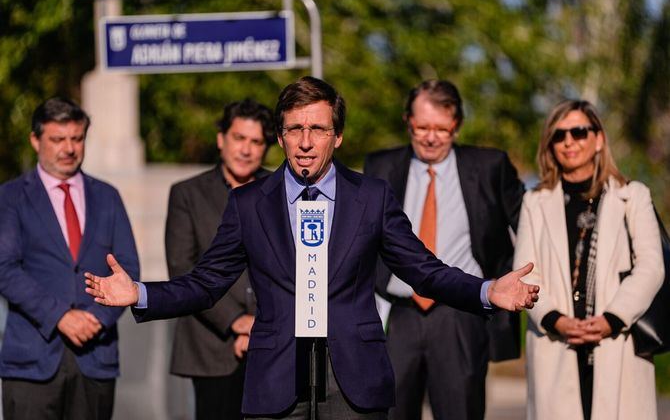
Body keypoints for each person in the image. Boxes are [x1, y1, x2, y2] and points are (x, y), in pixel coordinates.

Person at [84, 76, 539, 419]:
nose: (305, 143)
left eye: (318, 129)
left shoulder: (372, 197)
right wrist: (142, 294)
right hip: (276, 376)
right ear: (280, 136)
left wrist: (486, 291)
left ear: (337, 136)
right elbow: (206, 283)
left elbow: (424, 270)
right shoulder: (248, 204)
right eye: (294, 129)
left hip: (354, 379)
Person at [364, 79, 526, 420]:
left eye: (442, 128)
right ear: (408, 121)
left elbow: (531, 224)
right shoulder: (380, 167)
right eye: (422, 127)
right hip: (398, 315)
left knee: (460, 411)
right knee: (386, 412)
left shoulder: (488, 167)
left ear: (457, 125)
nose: (431, 137)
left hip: (460, 314)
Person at [515, 99, 664, 420]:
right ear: (550, 145)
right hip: (555, 344)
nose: (569, 141)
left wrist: (612, 318)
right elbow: (525, 273)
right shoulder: (534, 201)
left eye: (579, 131)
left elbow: (651, 267)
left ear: (598, 139)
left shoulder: (633, 195)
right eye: (559, 135)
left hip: (618, 342)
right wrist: (556, 319)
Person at [0, 97, 140, 420]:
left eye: (77, 138)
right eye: (58, 139)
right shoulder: (11, 197)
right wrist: (60, 315)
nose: (69, 148)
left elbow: (128, 268)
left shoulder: (107, 197)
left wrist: (97, 318)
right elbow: (5, 269)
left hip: (95, 357)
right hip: (31, 361)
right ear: (35, 140)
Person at [166, 98, 275, 420]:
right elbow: (183, 268)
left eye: (256, 142)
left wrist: (262, 326)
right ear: (220, 139)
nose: (246, 149)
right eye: (239, 138)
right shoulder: (188, 194)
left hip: (273, 344)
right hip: (211, 346)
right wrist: (236, 322)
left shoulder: (281, 189)